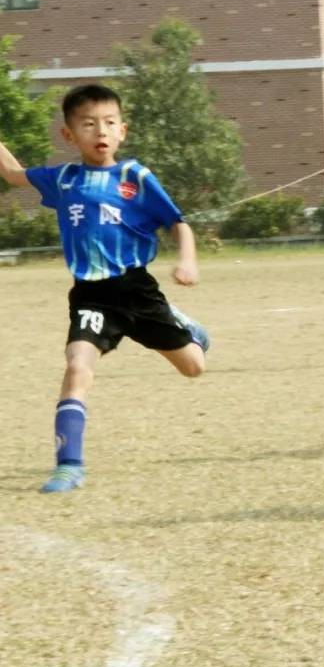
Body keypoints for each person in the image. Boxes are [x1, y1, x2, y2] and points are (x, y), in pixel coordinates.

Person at [0, 83, 209, 493]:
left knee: (193, 367)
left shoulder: (136, 177)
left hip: (138, 291)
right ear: (68, 134)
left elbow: (178, 223)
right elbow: (10, 173)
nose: (100, 131)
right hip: (91, 295)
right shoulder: (62, 179)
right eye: (89, 124)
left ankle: (185, 325)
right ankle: (69, 465)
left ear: (122, 131)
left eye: (109, 123)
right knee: (77, 367)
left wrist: (187, 260)